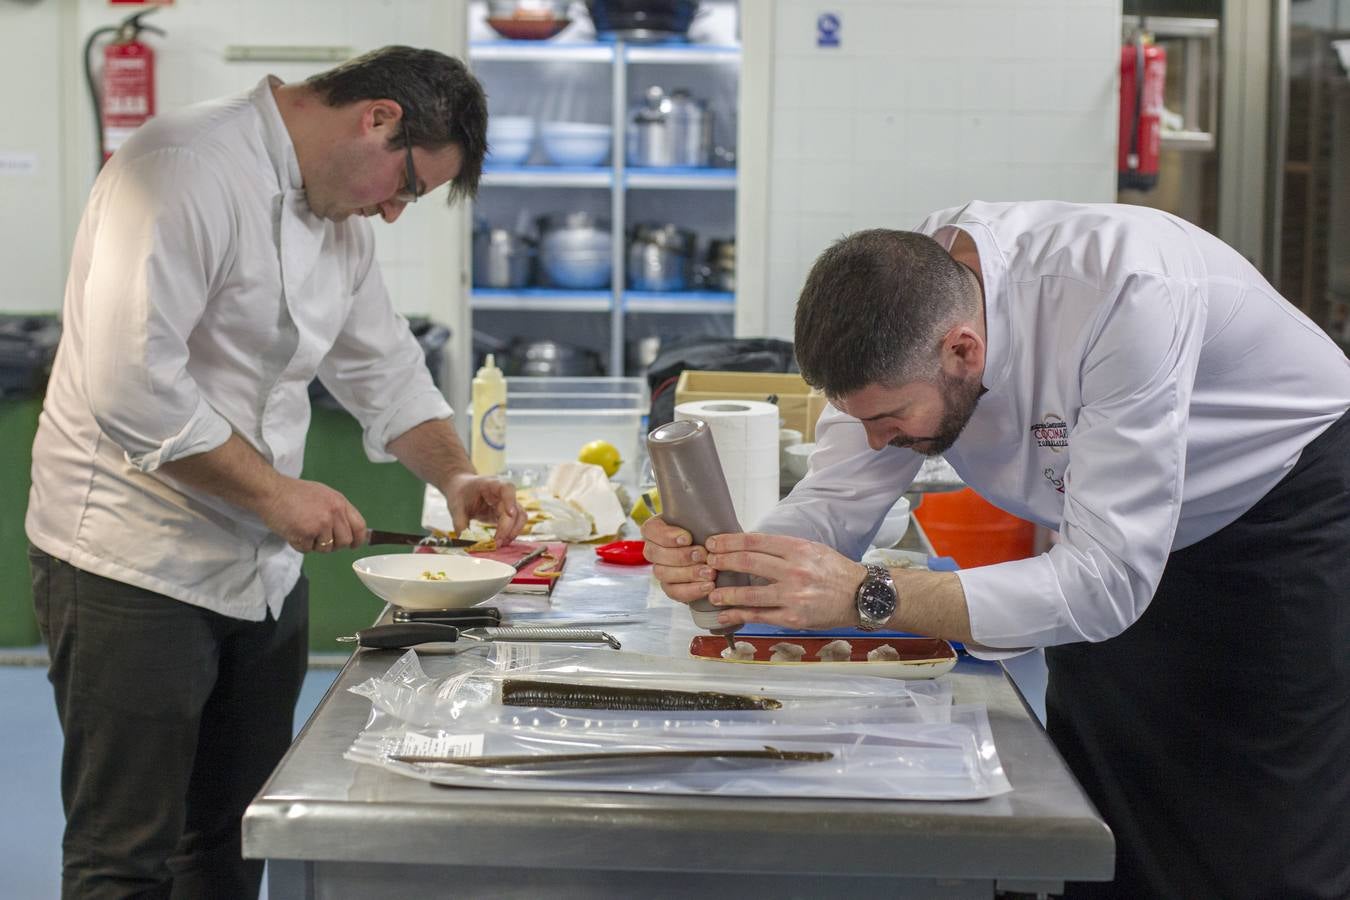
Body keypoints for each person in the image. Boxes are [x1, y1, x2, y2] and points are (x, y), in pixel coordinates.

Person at [643, 201, 1350, 898]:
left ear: (963, 349)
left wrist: (869, 595)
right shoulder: (896, 310)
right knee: (1107, 798)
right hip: (1104, 537)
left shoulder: (1124, 294)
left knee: (1258, 828)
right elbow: (838, 500)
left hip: (1278, 513)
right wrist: (740, 571)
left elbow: (1104, 586)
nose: (877, 443)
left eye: (890, 418)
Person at [26, 46, 524, 898]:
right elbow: (130, 386)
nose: (395, 214)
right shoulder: (183, 168)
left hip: (260, 570)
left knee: (232, 836)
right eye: (405, 188)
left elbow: (384, 367)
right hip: (131, 562)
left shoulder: (336, 214)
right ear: (377, 119)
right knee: (127, 854)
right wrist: (277, 494)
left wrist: (456, 476)